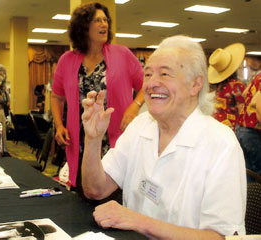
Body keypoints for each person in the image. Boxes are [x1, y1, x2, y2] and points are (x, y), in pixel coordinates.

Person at [81, 35, 246, 239]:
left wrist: (138, 221)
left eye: (165, 74)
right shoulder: (140, 126)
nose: (151, 84)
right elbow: (95, 190)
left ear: (195, 84)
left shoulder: (221, 145)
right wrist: (93, 139)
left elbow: (219, 237)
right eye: (148, 74)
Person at [51, 2, 144, 188]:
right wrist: (59, 125)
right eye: (97, 20)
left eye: (105, 20)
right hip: (80, 139)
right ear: (84, 26)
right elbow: (56, 96)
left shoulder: (122, 54)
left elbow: (145, 85)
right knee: (82, 190)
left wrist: (135, 106)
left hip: (114, 138)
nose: (104, 24)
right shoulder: (67, 60)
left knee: (113, 193)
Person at [208, 43, 246, 131]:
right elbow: (241, 107)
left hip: (214, 121)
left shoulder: (215, 86)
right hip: (229, 124)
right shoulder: (236, 85)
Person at [236, 71, 261, 182]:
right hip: (253, 133)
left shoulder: (258, 77)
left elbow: (245, 93)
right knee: (258, 174)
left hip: (241, 129)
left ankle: (250, 199)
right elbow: (257, 104)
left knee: (248, 174)